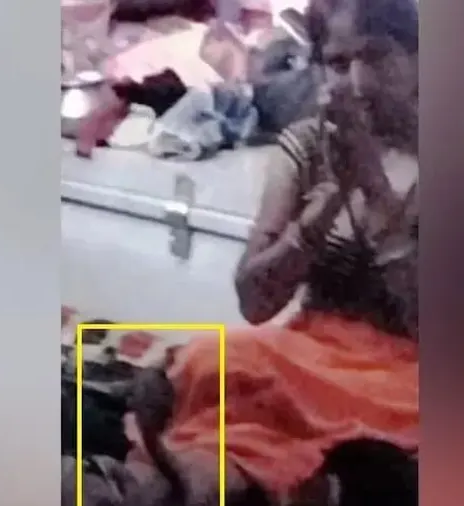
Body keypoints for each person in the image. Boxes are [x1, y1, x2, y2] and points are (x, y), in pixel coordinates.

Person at [128, 0, 420, 500]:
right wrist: (326, 203)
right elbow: (255, 303)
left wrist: (372, 183)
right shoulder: (307, 145)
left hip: (408, 370)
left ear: (417, 59)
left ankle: (219, 480)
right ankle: (189, 479)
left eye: (376, 57)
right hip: (309, 349)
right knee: (212, 359)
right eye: (338, 62)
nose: (355, 82)